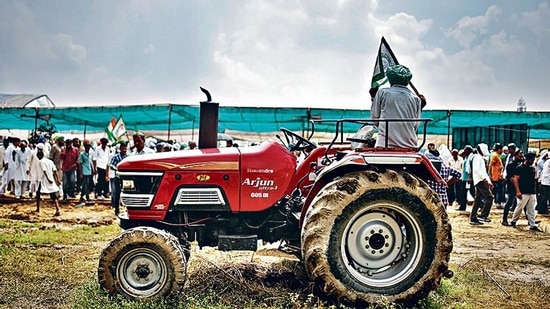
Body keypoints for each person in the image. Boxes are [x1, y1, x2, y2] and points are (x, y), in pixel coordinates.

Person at [370, 64, 425, 149]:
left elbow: (375, 119)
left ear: (390, 79)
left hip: (384, 145)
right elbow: (415, 125)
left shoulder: (383, 93)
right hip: (410, 145)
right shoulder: (416, 99)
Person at [510, 152, 543, 232]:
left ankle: (532, 224)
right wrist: (518, 191)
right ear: (528, 159)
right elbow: (516, 180)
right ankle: (513, 221)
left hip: (531, 191)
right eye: (532, 159)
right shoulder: (520, 168)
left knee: (531, 209)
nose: (533, 161)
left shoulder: (532, 168)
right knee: (519, 207)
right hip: (523, 191)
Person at [469, 143, 494, 225]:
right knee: (489, 197)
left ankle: (473, 217)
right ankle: (483, 215)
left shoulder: (479, 158)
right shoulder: (477, 158)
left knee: (478, 199)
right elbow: (477, 170)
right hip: (480, 180)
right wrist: (485, 180)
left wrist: (488, 181)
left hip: (480, 180)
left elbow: (483, 171)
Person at [501, 149, 524, 225]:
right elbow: (511, 178)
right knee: (509, 202)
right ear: (515, 155)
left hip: (520, 186)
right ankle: (504, 219)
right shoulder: (511, 165)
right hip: (512, 187)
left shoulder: (520, 165)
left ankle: (531, 220)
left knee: (525, 203)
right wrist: (517, 187)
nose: (521, 157)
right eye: (519, 156)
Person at [35, 150, 61, 216]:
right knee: (53, 195)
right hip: (51, 178)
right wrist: (57, 180)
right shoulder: (50, 161)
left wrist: (48, 179)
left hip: (44, 179)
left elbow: (44, 170)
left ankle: (38, 208)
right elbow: (55, 171)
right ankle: (57, 209)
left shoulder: (41, 162)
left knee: (38, 193)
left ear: (39, 156)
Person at [107, 141, 128, 215]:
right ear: (120, 149)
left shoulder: (128, 157)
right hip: (118, 177)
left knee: (126, 193)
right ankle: (116, 209)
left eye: (125, 149)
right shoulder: (116, 156)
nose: (124, 150)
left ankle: (126, 209)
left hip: (126, 178)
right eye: (123, 149)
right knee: (117, 193)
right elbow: (111, 165)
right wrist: (117, 167)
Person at [76, 140, 94, 207]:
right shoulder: (82, 154)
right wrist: (80, 173)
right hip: (84, 172)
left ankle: (82, 196)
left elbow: (90, 162)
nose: (88, 148)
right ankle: (87, 196)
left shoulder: (89, 154)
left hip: (89, 171)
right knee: (86, 185)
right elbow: (79, 164)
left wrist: (92, 169)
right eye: (87, 147)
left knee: (85, 185)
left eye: (89, 147)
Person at [61, 138, 79, 203]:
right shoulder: (64, 150)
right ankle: (65, 194)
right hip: (65, 168)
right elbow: (61, 157)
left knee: (72, 181)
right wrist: (64, 151)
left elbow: (78, 158)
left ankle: (71, 192)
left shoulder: (75, 149)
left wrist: (75, 164)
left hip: (72, 168)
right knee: (65, 183)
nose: (68, 145)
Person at [488, 143, 505, 208]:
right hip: (496, 176)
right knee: (499, 190)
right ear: (499, 149)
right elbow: (490, 165)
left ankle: (498, 202)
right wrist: (490, 175)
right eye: (501, 149)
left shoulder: (497, 155)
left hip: (498, 175)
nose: (502, 151)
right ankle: (498, 202)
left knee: (499, 189)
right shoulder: (495, 155)